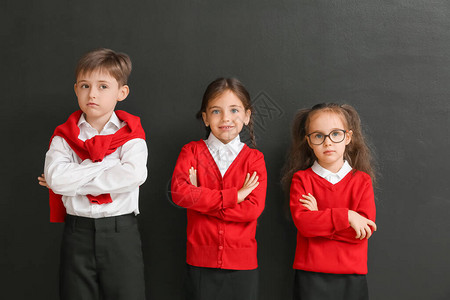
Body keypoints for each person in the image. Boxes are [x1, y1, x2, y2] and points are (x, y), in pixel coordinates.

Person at [38, 48, 147, 300]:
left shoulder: (132, 134)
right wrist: (105, 166)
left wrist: (73, 178)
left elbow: (133, 175)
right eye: (85, 85)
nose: (93, 94)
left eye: (103, 86)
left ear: (122, 92)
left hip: (122, 233)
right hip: (78, 234)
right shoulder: (64, 136)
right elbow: (55, 178)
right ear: (76, 89)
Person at [170, 78, 267, 300]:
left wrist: (199, 200)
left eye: (234, 110)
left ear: (247, 115)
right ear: (205, 117)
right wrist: (236, 196)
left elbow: (252, 210)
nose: (226, 118)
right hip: (199, 263)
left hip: (243, 265)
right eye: (216, 111)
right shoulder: (191, 151)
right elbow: (178, 193)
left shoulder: (254, 159)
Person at [282, 103, 377, 300]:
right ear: (309, 141)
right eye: (318, 136)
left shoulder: (362, 181)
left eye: (335, 134)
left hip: (352, 276)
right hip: (311, 276)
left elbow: (362, 231)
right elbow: (305, 225)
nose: (328, 142)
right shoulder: (302, 179)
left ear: (348, 137)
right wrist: (348, 216)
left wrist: (320, 218)